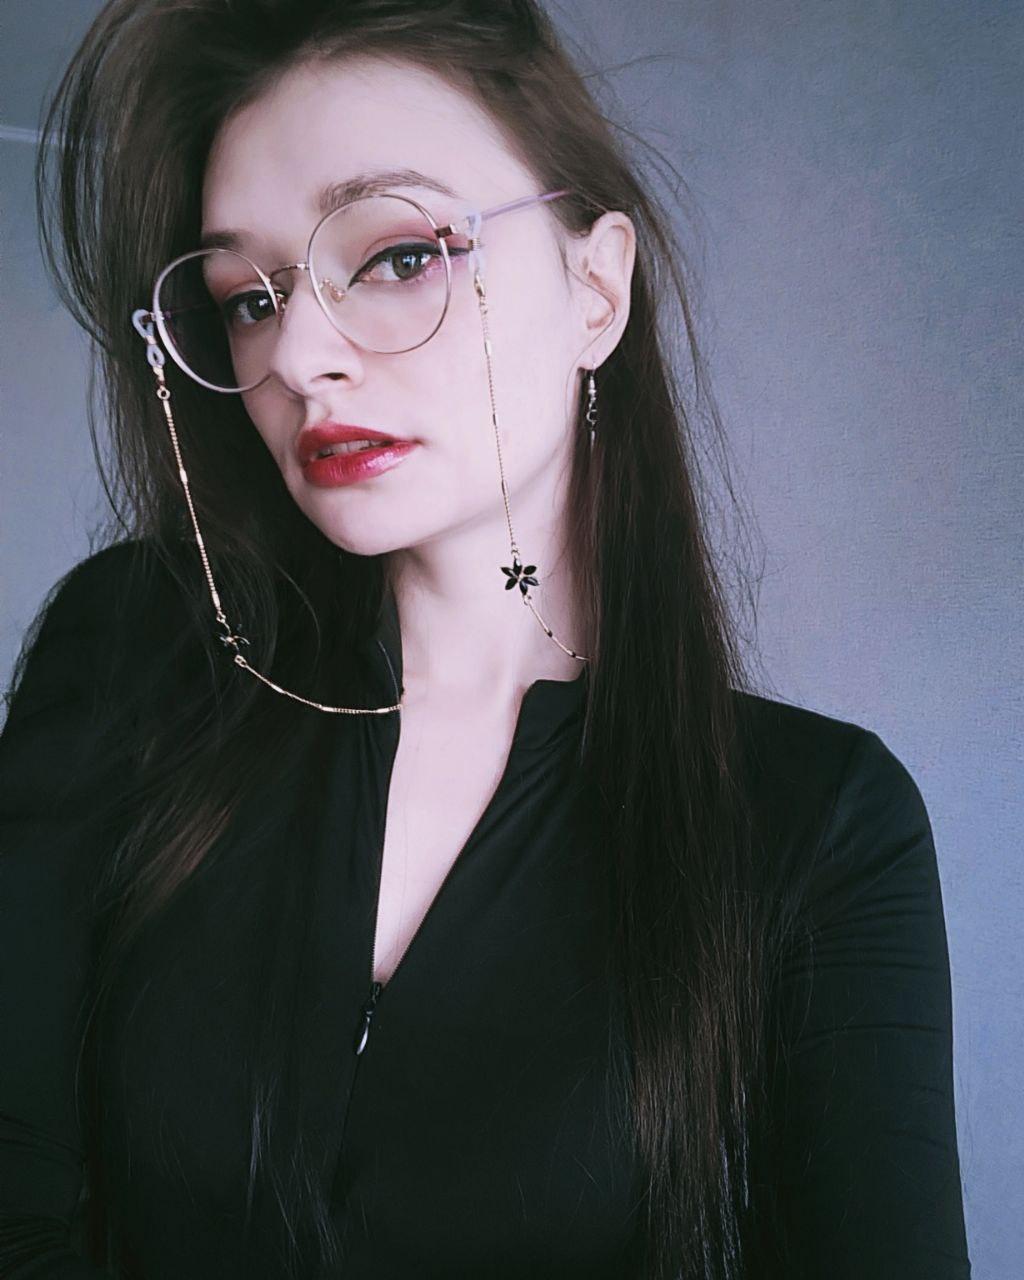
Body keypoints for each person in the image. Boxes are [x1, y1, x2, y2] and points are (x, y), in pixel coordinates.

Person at [0, 2, 971, 1278]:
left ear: (594, 288)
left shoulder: (812, 821)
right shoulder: (138, 653)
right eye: (249, 297)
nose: (297, 354)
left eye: (399, 254)